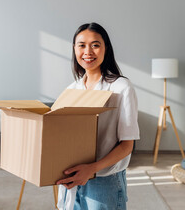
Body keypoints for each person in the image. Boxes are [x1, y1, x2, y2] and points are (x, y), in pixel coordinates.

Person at [56, 22, 140, 210]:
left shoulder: (120, 88)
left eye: (95, 45)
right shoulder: (71, 89)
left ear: (105, 49)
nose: (88, 51)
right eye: (82, 45)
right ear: (74, 49)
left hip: (104, 181)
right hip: (71, 179)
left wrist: (91, 169)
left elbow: (127, 145)